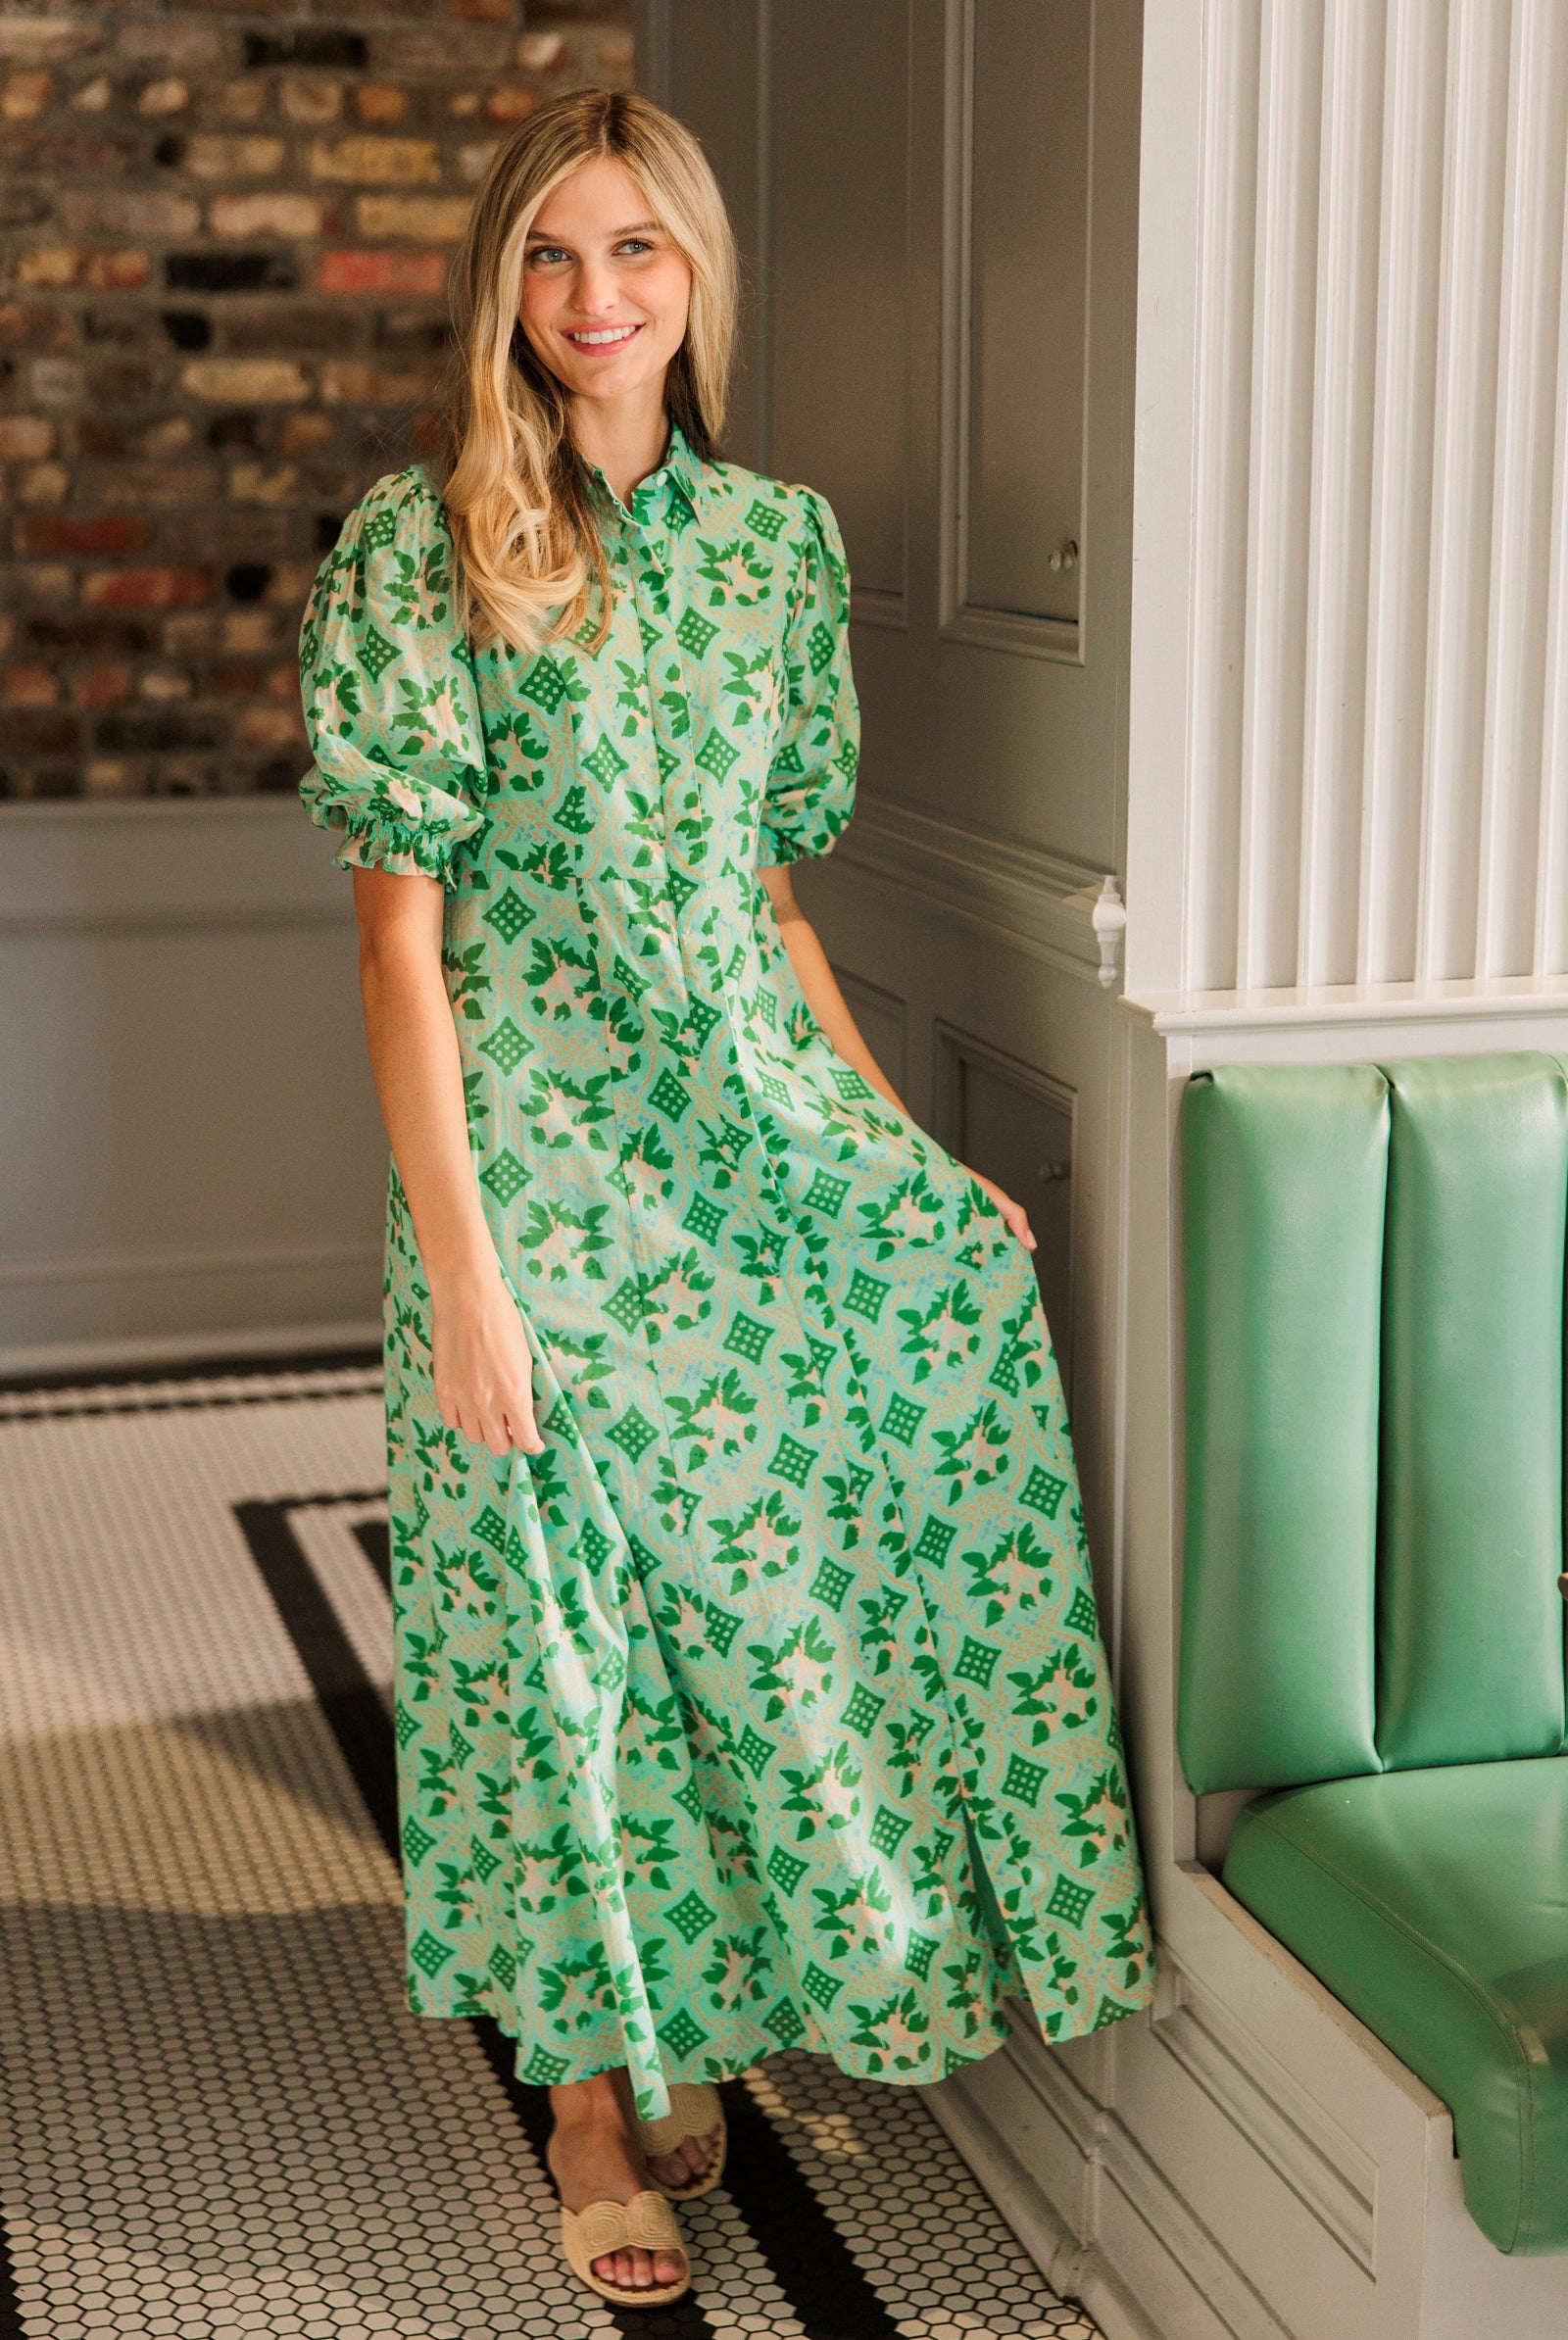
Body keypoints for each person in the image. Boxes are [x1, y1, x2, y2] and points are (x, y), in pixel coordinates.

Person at [298, 84, 1153, 2310]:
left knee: (793, 1538)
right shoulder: (420, 545)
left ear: (694, 277)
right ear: (504, 285)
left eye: (635, 251)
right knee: (552, 1624)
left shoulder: (779, 545)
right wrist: (462, 1269)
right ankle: (589, 2095)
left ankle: (713, 2002)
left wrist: (901, 1149)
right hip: (532, 1168)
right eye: (551, 254)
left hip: (746, 1132)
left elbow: (767, 903)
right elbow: (397, 947)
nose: (593, 296)